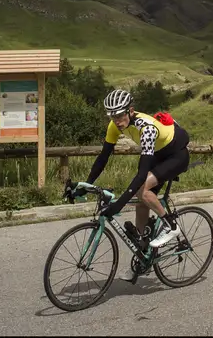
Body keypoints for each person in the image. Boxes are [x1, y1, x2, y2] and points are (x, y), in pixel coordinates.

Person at [81, 88, 191, 281]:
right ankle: (143, 254)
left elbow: (141, 175)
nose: (116, 120)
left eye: (119, 115)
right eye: (112, 116)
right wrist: (86, 184)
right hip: (158, 153)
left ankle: (171, 226)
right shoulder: (114, 126)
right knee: (142, 202)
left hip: (176, 154)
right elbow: (103, 158)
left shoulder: (146, 128)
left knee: (142, 189)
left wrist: (118, 205)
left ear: (130, 111)